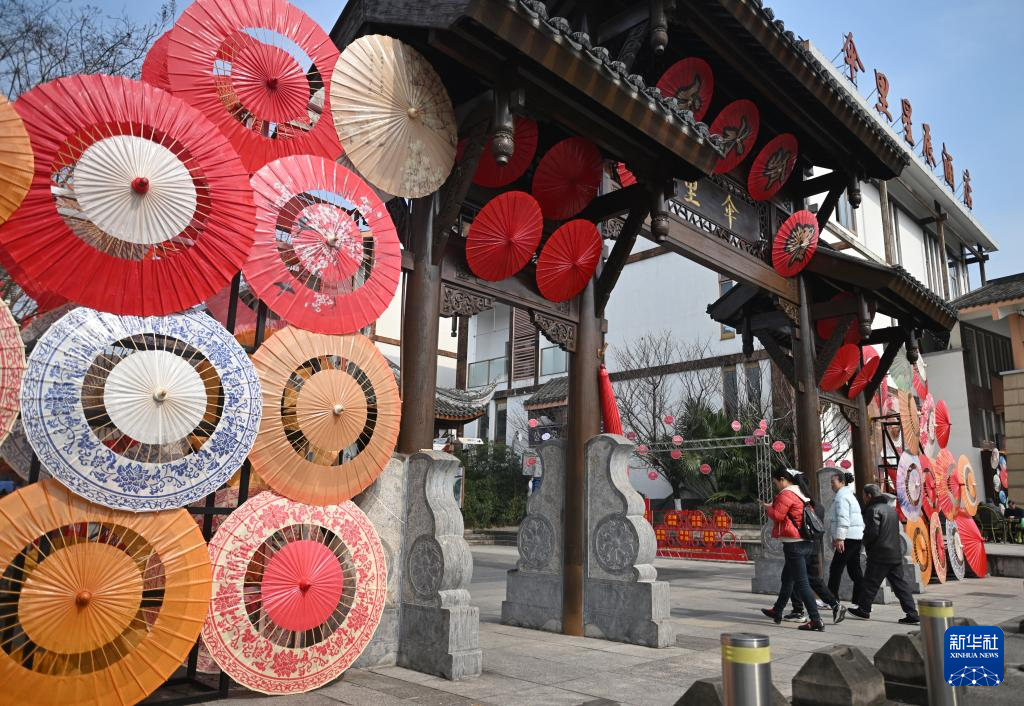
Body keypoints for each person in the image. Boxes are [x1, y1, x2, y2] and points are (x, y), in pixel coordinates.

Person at [760, 467, 826, 632]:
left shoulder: (786, 493)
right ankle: (777, 610)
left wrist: (768, 508)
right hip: (804, 541)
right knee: (787, 578)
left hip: (794, 543)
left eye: (776, 482)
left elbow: (778, 516)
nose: (776, 485)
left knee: (802, 583)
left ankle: (816, 620)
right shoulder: (800, 492)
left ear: (783, 479)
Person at [848, 484, 919, 624]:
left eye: (864, 495)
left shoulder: (872, 509)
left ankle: (864, 610)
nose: (863, 498)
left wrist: (865, 543)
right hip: (894, 553)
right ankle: (912, 613)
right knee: (900, 585)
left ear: (869, 495)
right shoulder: (891, 510)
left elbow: (872, 533)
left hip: (879, 553)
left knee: (870, 583)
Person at [826, 472, 865, 601]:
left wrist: (839, 538)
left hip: (847, 537)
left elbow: (843, 518)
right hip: (855, 536)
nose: (831, 485)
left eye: (833, 482)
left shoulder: (841, 497)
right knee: (854, 569)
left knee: (836, 568)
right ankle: (861, 599)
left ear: (842, 482)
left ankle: (832, 598)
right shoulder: (849, 495)